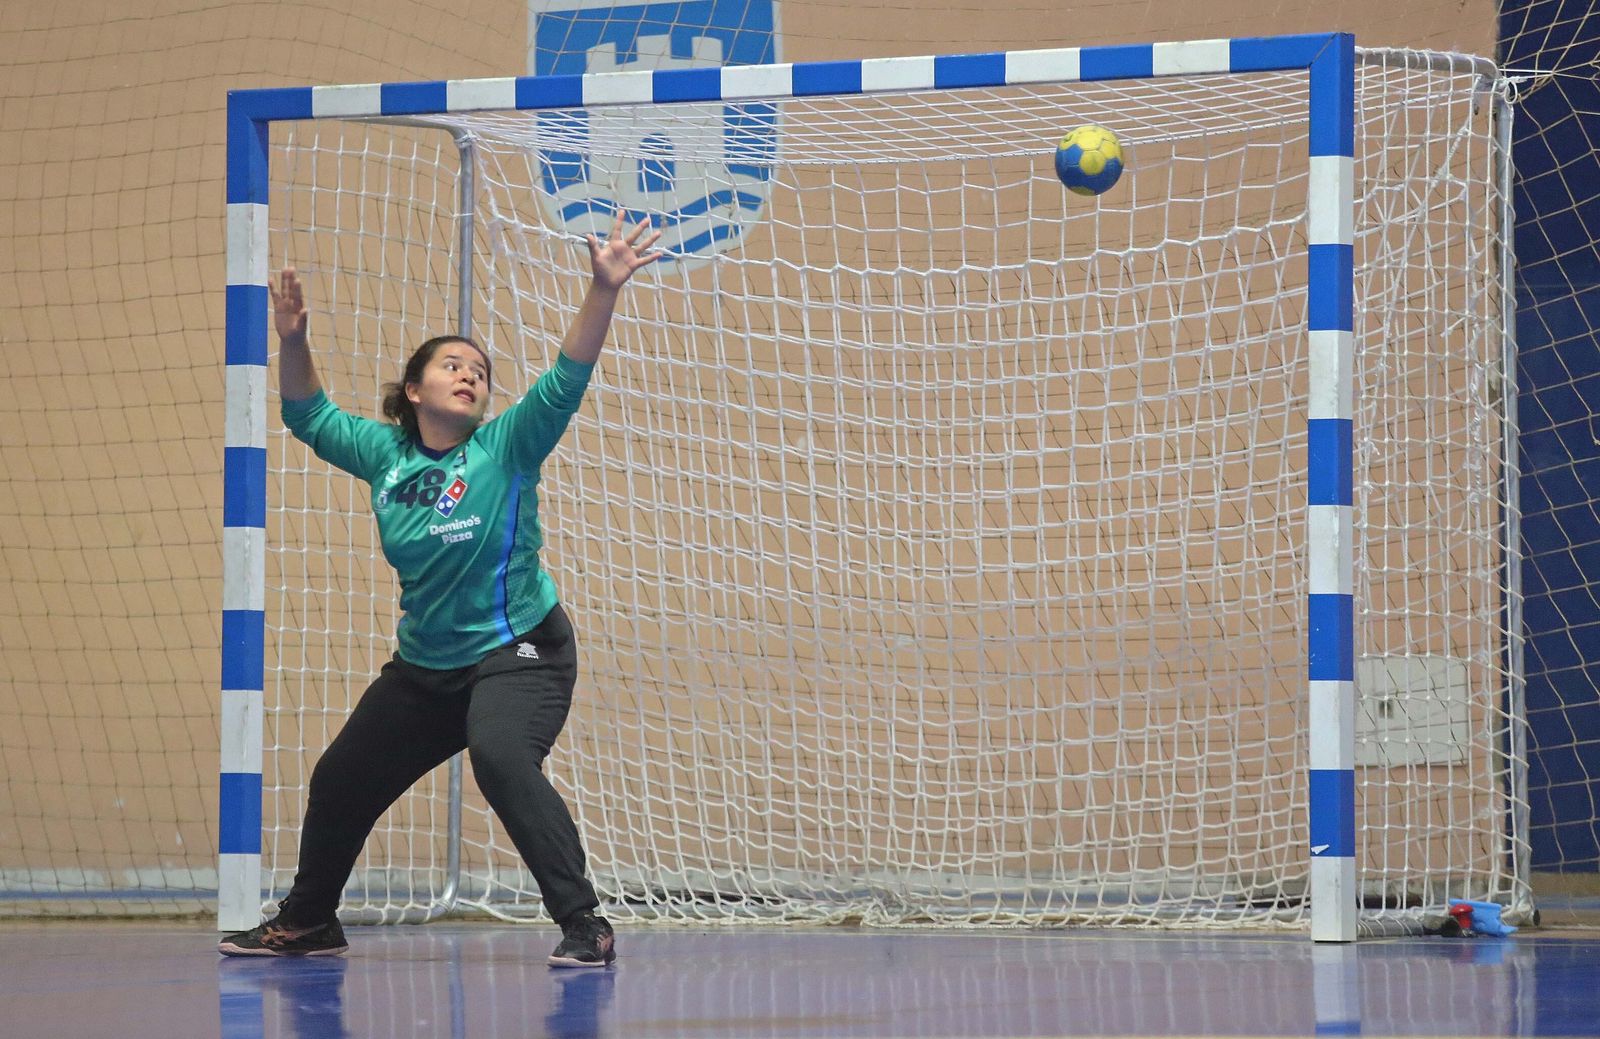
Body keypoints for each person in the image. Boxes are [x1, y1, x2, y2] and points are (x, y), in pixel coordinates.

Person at [218, 212, 662, 968]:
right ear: (414, 388)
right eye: (453, 364)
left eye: (481, 372)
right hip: (427, 666)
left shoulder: (507, 446)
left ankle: (584, 922)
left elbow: (567, 376)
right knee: (341, 777)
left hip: (520, 650)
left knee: (498, 755)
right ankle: (310, 919)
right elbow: (307, 414)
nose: (470, 375)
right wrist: (293, 341)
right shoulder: (383, 453)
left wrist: (602, 288)